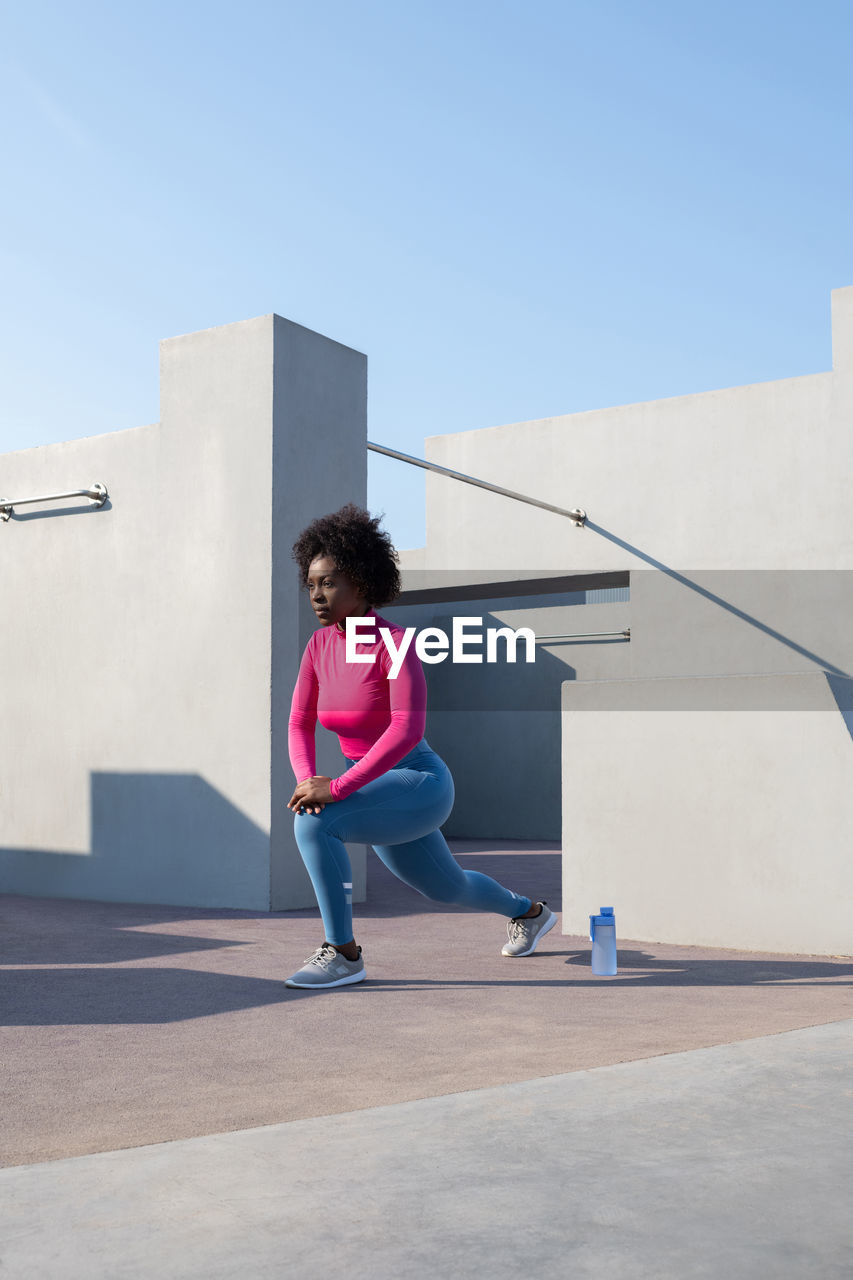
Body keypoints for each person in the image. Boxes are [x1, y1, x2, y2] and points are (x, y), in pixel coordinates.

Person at [285, 501, 557, 989]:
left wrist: (340, 787)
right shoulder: (318, 647)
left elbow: (405, 729)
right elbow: (299, 722)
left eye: (329, 582)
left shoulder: (395, 645)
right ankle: (530, 913)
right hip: (372, 782)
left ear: (362, 584)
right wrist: (309, 778)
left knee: (314, 825)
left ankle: (344, 954)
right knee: (446, 887)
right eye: (311, 584)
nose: (317, 595)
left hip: (418, 781)